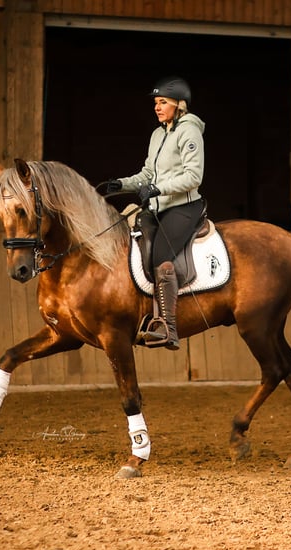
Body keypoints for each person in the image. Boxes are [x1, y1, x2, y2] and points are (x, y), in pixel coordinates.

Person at [106, 76, 206, 351]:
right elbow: (148, 174)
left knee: (161, 256)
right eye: (155, 103)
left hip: (184, 207)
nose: (157, 107)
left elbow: (193, 177)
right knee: (131, 245)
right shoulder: (158, 134)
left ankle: (168, 327)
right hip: (158, 206)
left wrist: (158, 188)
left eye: (163, 102)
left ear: (180, 105)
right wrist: (122, 184)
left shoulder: (190, 132)